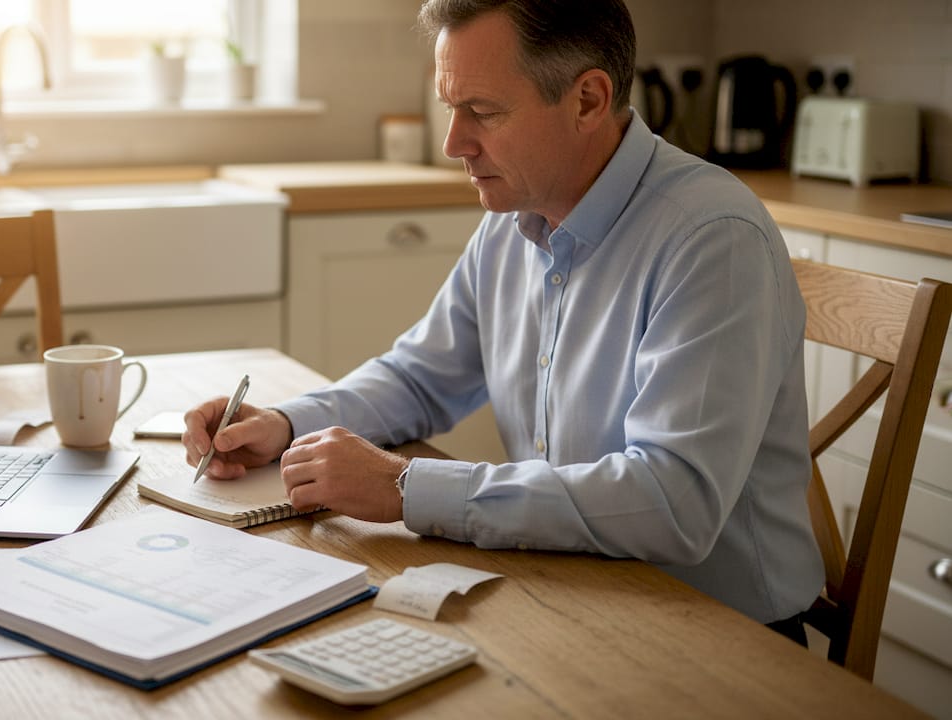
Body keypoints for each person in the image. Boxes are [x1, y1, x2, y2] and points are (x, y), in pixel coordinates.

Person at [182, 0, 823, 640]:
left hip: (720, 637)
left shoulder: (713, 239)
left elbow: (672, 502)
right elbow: (419, 378)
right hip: (567, 592)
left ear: (588, 100)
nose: (453, 143)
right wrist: (286, 422)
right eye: (450, 106)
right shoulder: (515, 216)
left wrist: (405, 487)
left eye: (482, 112)